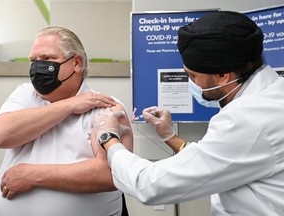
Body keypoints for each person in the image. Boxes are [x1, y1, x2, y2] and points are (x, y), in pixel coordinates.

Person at [90, 11, 284, 216]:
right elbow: (222, 158)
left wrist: (109, 138)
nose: (191, 83)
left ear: (222, 75)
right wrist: (170, 136)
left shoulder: (246, 119)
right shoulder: (273, 93)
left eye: (192, 75)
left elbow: (150, 186)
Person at [0, 26, 133, 216]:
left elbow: (110, 174)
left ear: (76, 63)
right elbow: (1, 134)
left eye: (47, 59)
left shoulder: (105, 106)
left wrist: (33, 175)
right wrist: (69, 105)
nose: (37, 67)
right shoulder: (26, 94)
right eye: (33, 60)